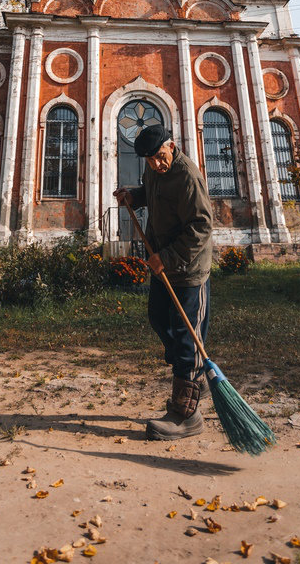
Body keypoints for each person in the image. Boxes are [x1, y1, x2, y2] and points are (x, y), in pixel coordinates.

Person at [114, 125, 213, 440]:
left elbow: (201, 226)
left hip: (187, 270)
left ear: (173, 146)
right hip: (163, 265)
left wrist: (167, 258)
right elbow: (155, 194)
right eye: (150, 160)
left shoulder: (188, 178)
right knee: (158, 318)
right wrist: (134, 195)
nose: (156, 164)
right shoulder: (155, 169)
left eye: (160, 157)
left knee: (185, 336)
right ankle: (195, 377)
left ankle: (187, 415)